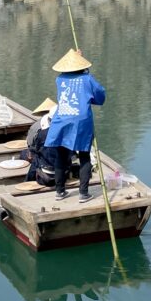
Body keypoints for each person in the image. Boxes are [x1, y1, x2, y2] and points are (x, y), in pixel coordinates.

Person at [45, 49, 106, 203]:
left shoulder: (59, 79)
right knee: (84, 155)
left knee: (61, 155)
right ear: (82, 66)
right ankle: (83, 193)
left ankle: (60, 191)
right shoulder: (88, 79)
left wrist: (80, 64)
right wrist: (87, 72)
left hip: (62, 120)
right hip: (81, 121)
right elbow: (99, 95)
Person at [23, 98, 57, 184]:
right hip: (61, 163)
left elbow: (30, 144)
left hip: (47, 162)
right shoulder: (66, 130)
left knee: (30, 156)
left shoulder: (38, 128)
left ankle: (27, 181)